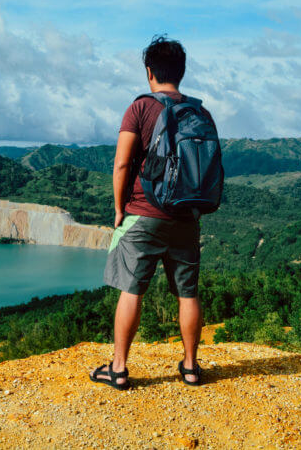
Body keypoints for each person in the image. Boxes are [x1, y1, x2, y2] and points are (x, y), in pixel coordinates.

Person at [89, 35, 215, 390]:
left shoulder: (140, 107)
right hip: (187, 216)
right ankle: (191, 368)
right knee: (188, 293)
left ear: (149, 72)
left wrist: (118, 209)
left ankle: (118, 369)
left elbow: (122, 163)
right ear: (182, 72)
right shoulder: (198, 112)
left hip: (143, 213)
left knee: (132, 290)